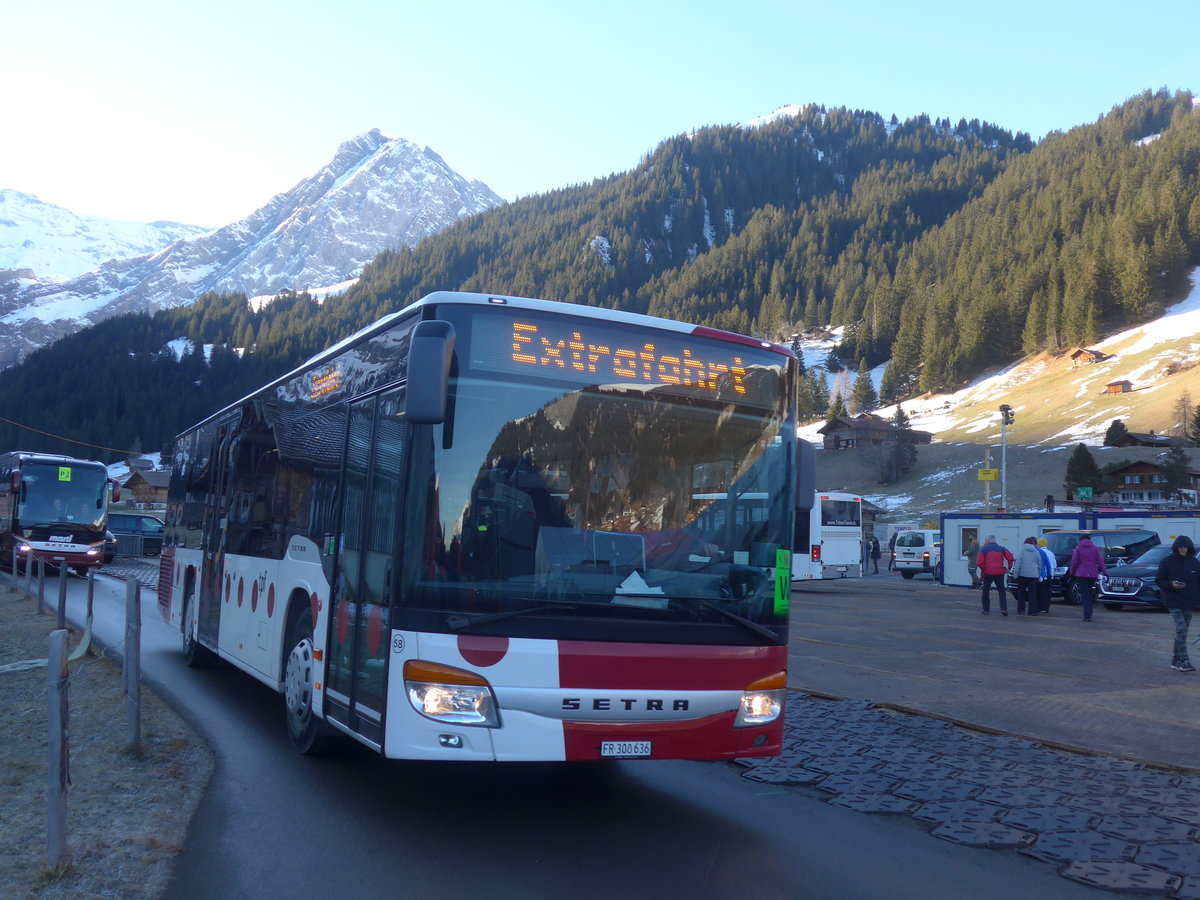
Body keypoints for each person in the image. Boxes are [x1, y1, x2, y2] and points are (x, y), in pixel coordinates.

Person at [1154, 535, 1200, 672]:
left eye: (1185, 547)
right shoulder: (1166, 562)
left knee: (1182, 632)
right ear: (1176, 548)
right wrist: (1171, 584)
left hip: (1190, 602)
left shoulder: (1195, 563)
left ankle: (1175, 660)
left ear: (1189, 548)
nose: (1182, 549)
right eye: (1180, 547)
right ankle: (1184, 660)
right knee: (1182, 628)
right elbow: (1159, 580)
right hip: (1174, 601)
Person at [1067, 534, 1108, 622]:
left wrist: (1072, 572)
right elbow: (1101, 561)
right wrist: (1105, 572)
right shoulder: (1095, 548)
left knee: (1084, 594)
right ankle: (1090, 612)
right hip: (1093, 573)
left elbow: (1074, 562)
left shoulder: (1078, 548)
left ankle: (1087, 615)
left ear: (1081, 539)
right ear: (1090, 539)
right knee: (1089, 594)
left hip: (1081, 574)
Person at [976, 534, 1014, 615]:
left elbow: (979, 562)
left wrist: (984, 569)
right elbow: (1010, 557)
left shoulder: (984, 549)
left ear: (988, 541)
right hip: (1000, 572)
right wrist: (1009, 568)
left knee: (985, 591)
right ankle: (1004, 609)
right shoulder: (1001, 548)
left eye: (985, 541)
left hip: (988, 573)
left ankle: (986, 610)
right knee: (1001, 591)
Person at [1012, 536, 1044, 616]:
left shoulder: (1022, 551)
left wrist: (1015, 574)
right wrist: (1038, 574)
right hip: (1033, 576)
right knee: (1032, 594)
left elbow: (1018, 563)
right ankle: (1032, 611)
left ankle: (1021, 610)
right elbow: (1040, 564)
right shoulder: (1036, 552)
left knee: (1021, 593)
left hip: (1022, 575)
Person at [1036, 537, 1056, 615]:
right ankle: (1046, 606)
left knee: (1039, 592)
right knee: (1047, 592)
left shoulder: (1039, 552)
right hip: (1049, 575)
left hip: (1043, 574)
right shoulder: (1051, 553)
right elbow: (1054, 564)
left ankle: (1040, 607)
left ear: (1040, 544)